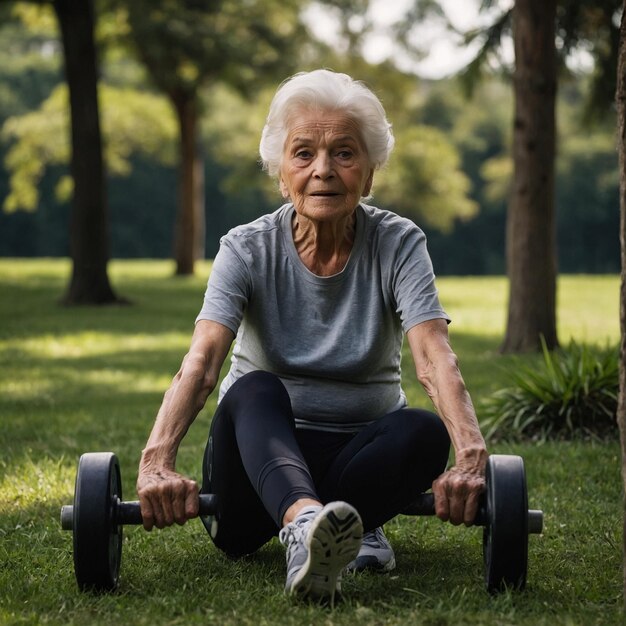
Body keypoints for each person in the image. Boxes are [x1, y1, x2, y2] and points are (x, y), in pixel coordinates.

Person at [136, 69, 488, 605]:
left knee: (421, 431)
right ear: (282, 173)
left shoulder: (399, 243)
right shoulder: (246, 248)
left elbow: (434, 357)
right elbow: (204, 360)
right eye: (303, 153)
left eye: (344, 154)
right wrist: (156, 462)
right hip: (254, 473)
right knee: (254, 387)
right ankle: (307, 524)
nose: (323, 170)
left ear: (369, 175)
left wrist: (469, 456)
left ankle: (347, 523)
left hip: (359, 455)